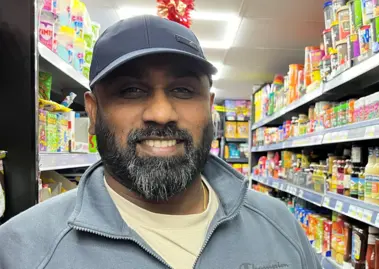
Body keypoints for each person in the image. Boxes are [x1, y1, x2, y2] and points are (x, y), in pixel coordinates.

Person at [0, 15, 321, 269]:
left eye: (183, 90)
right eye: (130, 91)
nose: (161, 113)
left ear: (209, 107)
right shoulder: (20, 249)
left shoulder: (281, 226)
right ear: (93, 112)